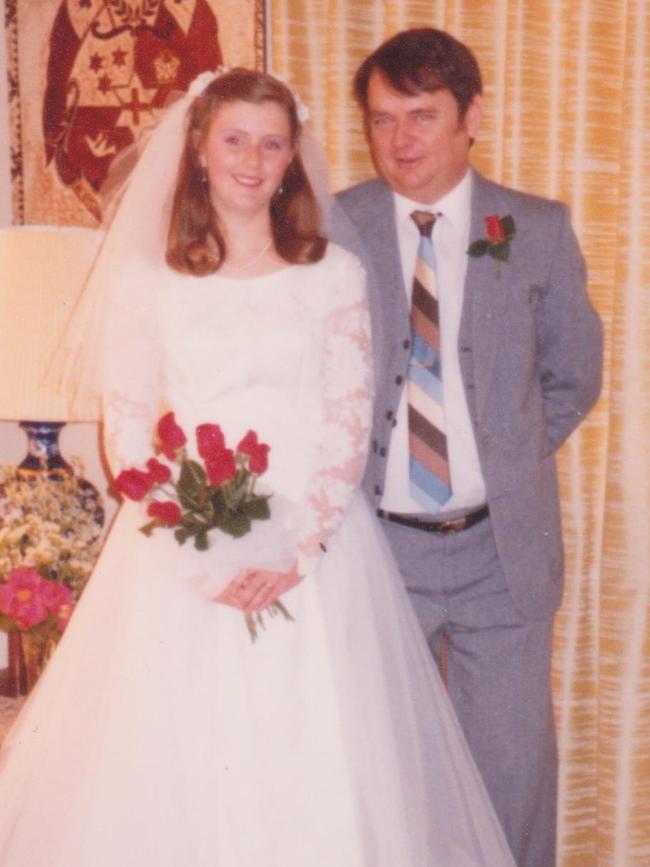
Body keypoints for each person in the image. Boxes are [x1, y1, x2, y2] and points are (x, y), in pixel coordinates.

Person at [0, 68, 516, 866]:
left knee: (315, 765)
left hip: (311, 562)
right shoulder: (147, 281)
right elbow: (131, 437)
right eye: (234, 138)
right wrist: (193, 550)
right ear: (200, 149)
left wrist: (295, 550)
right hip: (177, 562)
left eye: (272, 144)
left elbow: (348, 423)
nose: (253, 158)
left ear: (291, 161)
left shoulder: (333, 276)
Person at [332, 28, 603, 867]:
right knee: (382, 780)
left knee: (510, 783)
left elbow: (574, 374)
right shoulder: (335, 226)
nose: (400, 142)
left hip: (500, 554)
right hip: (377, 553)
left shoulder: (533, 228)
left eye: (421, 117)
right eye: (382, 120)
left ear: (471, 116)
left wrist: (503, 455)